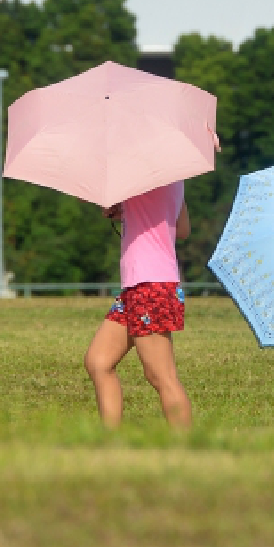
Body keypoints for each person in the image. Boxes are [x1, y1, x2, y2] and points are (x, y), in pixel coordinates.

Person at [83, 181, 193, 430]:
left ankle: (187, 448)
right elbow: (183, 229)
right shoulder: (173, 178)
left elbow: (92, 195)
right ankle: (110, 442)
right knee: (98, 361)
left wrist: (114, 205)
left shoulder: (138, 176)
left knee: (162, 376)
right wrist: (127, 211)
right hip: (140, 285)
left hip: (150, 284)